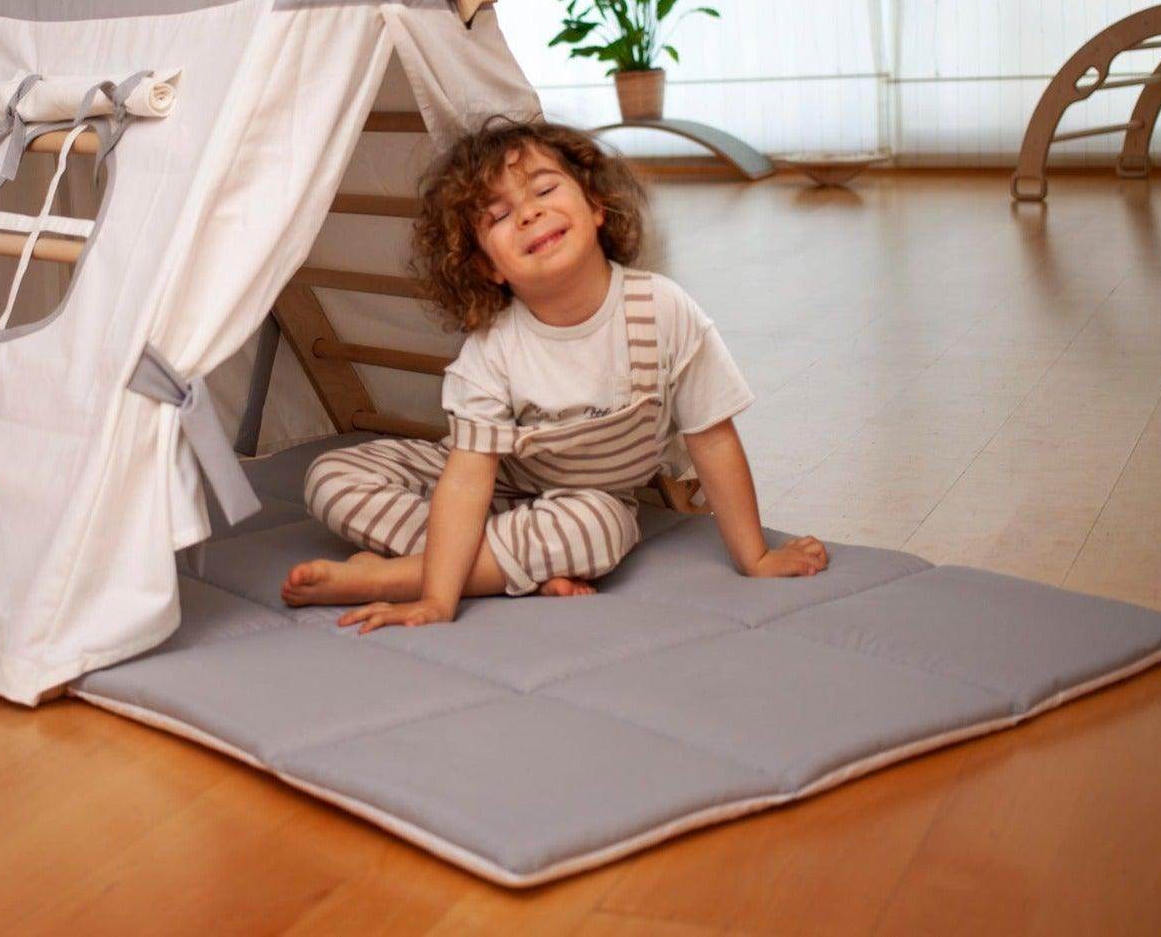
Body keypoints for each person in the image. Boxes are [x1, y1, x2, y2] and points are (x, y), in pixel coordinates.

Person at [282, 118, 827, 632]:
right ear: (487, 266)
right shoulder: (492, 347)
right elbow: (468, 479)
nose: (528, 214)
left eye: (544, 190)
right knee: (331, 477)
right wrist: (439, 603)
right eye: (498, 216)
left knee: (598, 531)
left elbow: (713, 438)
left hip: (591, 499)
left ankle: (397, 576)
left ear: (596, 206)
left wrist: (755, 556)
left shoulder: (661, 309)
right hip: (498, 486)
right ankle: (514, 564)